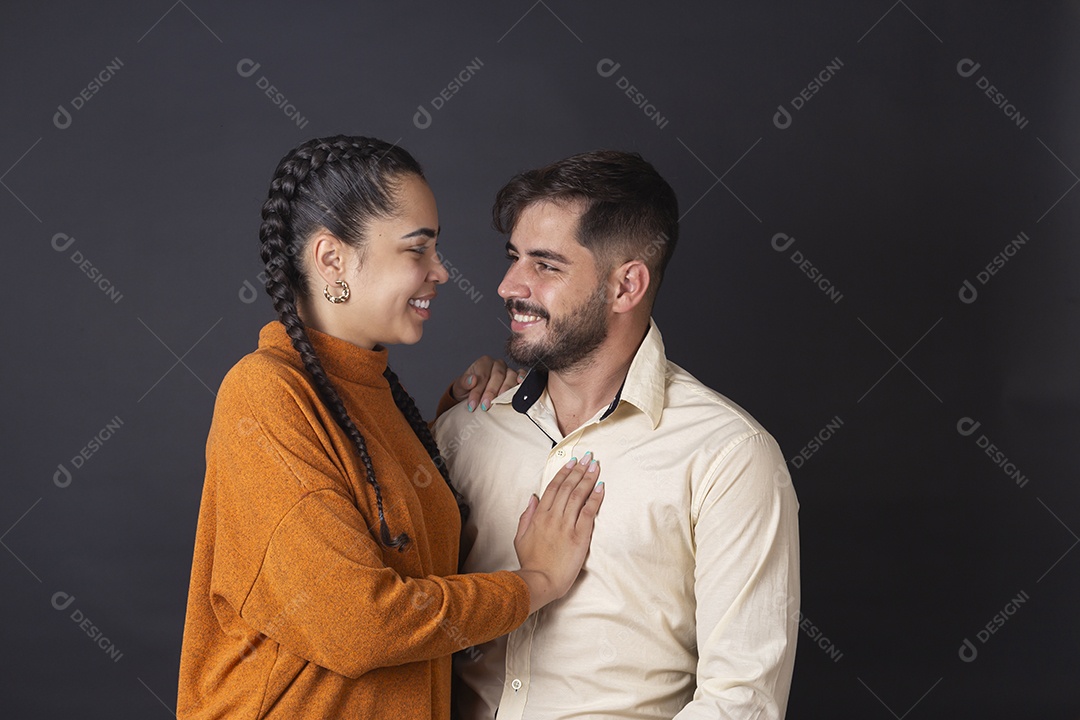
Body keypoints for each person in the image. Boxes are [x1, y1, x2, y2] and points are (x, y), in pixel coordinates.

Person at [176, 136, 605, 719]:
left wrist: (458, 412)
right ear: (332, 260)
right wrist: (535, 583)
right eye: (416, 250)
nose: (441, 272)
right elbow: (358, 623)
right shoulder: (264, 395)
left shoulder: (377, 397)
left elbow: (391, 531)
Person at [434, 150, 801, 719]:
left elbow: (739, 703)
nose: (509, 285)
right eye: (513, 257)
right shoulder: (462, 434)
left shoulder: (728, 456)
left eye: (546, 265)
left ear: (626, 285)